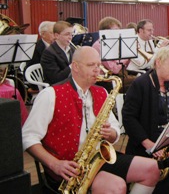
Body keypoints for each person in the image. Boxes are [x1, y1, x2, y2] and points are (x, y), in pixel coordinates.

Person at [22, 46, 160, 194]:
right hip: (69, 167)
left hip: (98, 158)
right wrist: (54, 164)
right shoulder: (50, 94)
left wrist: (111, 133)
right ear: (75, 66)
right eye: (91, 65)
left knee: (153, 168)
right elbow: (28, 137)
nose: (97, 69)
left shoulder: (101, 92)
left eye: (98, 64)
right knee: (116, 186)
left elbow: (114, 130)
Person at [122, 46, 169, 193]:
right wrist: (148, 143)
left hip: (168, 140)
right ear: (158, 63)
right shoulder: (141, 84)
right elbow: (128, 117)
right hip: (146, 142)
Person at [92, 17, 132, 92]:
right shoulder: (99, 45)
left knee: (143, 80)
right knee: (139, 83)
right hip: (105, 79)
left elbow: (124, 66)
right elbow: (114, 69)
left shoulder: (112, 44)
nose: (118, 33)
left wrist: (129, 55)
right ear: (106, 31)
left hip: (116, 76)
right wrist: (126, 57)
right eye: (115, 30)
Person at [40, 21, 76, 85]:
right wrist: (72, 66)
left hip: (71, 83)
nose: (70, 37)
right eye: (67, 34)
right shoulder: (48, 53)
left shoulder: (72, 49)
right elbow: (56, 78)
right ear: (57, 36)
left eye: (71, 34)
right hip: (56, 86)